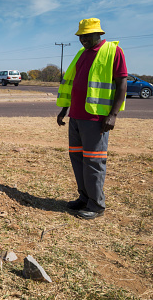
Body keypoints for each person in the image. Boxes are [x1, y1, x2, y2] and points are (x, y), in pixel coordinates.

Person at [57, 18, 127, 220]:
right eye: (80, 36)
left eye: (87, 36)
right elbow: (72, 84)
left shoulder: (113, 52)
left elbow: (122, 84)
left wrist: (113, 115)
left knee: (94, 162)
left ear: (99, 34)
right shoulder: (81, 54)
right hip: (76, 116)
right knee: (77, 158)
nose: (83, 40)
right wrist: (64, 109)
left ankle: (96, 205)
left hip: (96, 118)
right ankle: (84, 197)